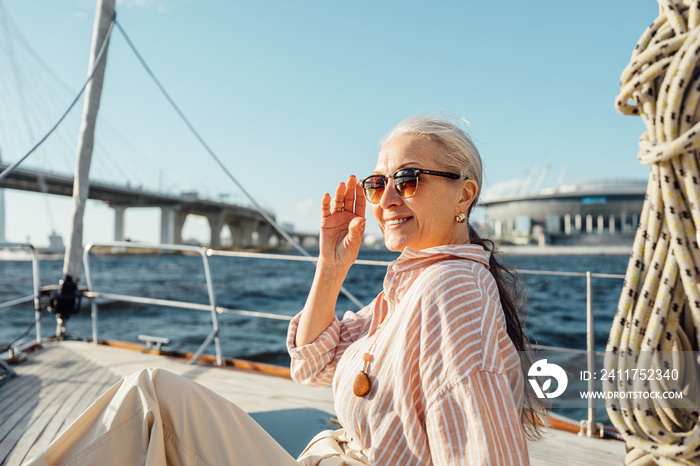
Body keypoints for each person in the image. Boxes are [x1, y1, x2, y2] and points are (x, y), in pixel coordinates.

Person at [24, 114, 542, 466]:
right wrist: (330, 268)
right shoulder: (410, 285)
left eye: (407, 179)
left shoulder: (451, 287)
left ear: (464, 195)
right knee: (151, 396)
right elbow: (311, 365)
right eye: (377, 183)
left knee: (150, 399)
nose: (387, 197)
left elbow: (482, 448)